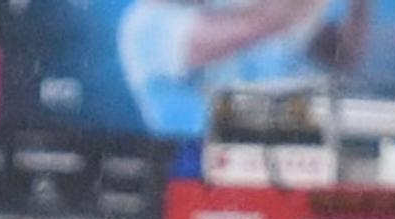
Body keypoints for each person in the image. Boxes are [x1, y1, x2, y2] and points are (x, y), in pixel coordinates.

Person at [117, 0, 337, 136]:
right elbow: (263, 23)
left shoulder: (221, 10)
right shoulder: (146, 24)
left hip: (264, 154)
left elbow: (338, 56)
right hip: (197, 169)